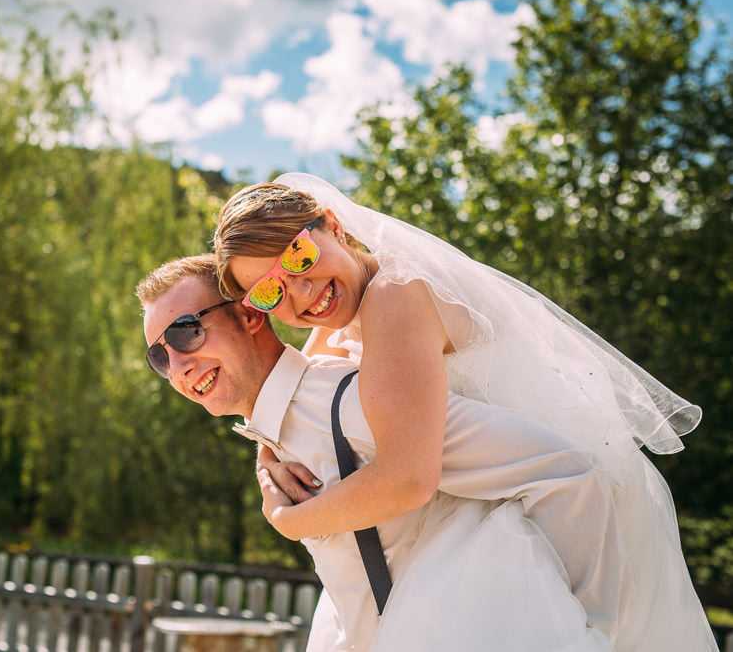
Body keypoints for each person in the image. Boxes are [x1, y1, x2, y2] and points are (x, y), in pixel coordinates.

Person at [212, 173, 717, 652]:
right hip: (512, 499)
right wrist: (264, 454)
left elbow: (407, 479)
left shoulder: (393, 296)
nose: (299, 292)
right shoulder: (347, 305)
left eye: (298, 256)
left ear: (334, 226)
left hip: (554, 513)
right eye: (269, 291)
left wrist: (288, 520)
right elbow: (308, 376)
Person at [136, 254, 620, 651]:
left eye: (185, 331)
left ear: (248, 314)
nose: (177, 365)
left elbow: (569, 471)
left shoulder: (350, 403)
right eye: (160, 356)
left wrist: (585, 629)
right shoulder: (284, 432)